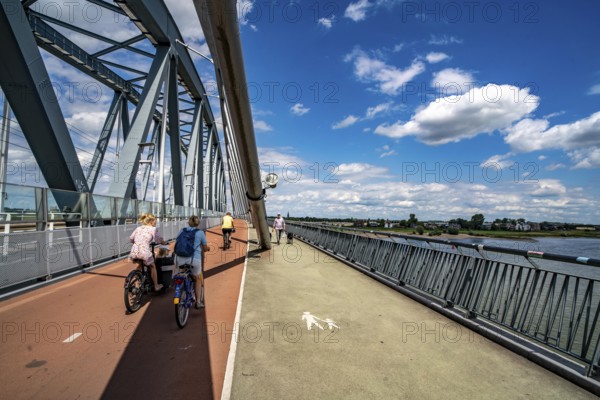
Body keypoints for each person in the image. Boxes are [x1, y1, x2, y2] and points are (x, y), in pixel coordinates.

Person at [174, 215, 209, 308]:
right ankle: (198, 302)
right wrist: (206, 249)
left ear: (188, 222)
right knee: (197, 278)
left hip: (180, 258)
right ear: (198, 223)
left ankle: (181, 287)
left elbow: (177, 242)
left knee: (182, 273)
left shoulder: (182, 230)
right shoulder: (200, 232)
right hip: (194, 259)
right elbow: (205, 248)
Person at [128, 213, 165, 291]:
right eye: (155, 220)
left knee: (141, 264)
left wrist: (138, 241)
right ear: (151, 221)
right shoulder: (153, 229)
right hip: (144, 251)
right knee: (153, 266)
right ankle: (156, 286)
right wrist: (163, 242)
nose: (156, 222)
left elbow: (131, 238)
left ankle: (133, 278)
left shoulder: (138, 228)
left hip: (134, 251)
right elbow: (158, 239)